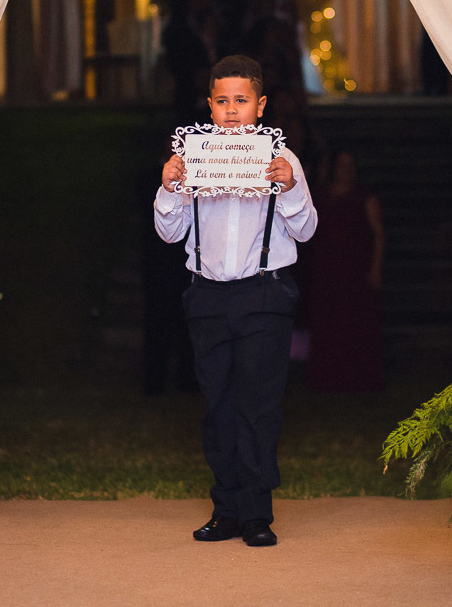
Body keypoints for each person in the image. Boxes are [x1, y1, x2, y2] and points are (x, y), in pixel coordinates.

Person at [154, 55, 317, 548]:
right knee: (218, 406)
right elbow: (169, 233)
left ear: (260, 105)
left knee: (258, 404)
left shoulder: (282, 160)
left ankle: (256, 514)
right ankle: (226, 509)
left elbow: (306, 230)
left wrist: (288, 189)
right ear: (209, 105)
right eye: (222, 101)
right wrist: (170, 188)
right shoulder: (192, 157)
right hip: (206, 296)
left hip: (264, 293)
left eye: (241, 101)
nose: (231, 110)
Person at [306, 150, 386, 392]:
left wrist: (375, 268)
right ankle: (327, 379)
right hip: (327, 270)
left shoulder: (365, 197)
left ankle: (357, 380)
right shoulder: (321, 196)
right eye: (342, 164)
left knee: (355, 324)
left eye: (350, 165)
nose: (346, 170)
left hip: (355, 271)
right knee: (328, 323)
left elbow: (378, 234)